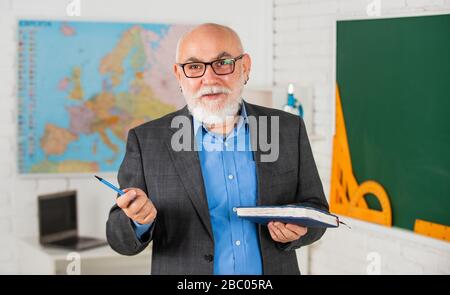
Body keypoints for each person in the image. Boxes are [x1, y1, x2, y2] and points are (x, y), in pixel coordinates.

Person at [106, 23, 329, 275]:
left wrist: (300, 231)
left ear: (245, 67)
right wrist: (138, 220)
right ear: (179, 75)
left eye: (223, 63)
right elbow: (119, 239)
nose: (209, 79)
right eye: (193, 67)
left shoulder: (287, 129)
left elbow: (317, 211)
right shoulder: (146, 140)